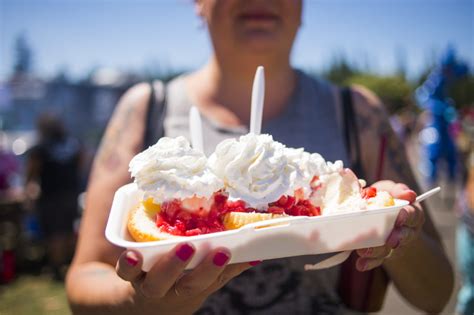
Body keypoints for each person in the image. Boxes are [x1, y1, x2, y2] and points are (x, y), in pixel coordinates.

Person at [66, 1, 453, 314]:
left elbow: (436, 296)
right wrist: (140, 303)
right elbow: (83, 279)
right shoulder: (144, 108)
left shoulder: (360, 114)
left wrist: (396, 231)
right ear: (197, 4)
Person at [26, 112, 83, 280]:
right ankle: (69, 263)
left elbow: (31, 171)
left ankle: (57, 268)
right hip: (71, 193)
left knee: (54, 233)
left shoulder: (41, 147)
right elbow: (82, 161)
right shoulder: (72, 144)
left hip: (51, 196)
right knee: (68, 229)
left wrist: (28, 189)